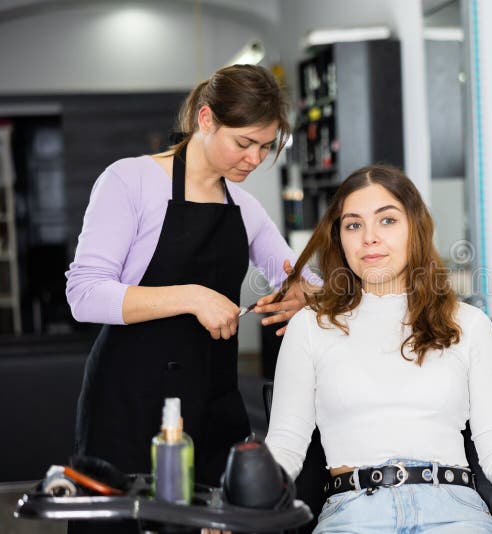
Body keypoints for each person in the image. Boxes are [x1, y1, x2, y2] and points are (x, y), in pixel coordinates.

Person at [65, 64, 314, 532]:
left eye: (266, 146)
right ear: (205, 120)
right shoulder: (131, 181)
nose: (255, 159)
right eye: (244, 143)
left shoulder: (245, 208)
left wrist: (303, 290)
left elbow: (292, 273)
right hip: (130, 402)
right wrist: (192, 296)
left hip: (211, 401)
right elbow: (84, 294)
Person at [266, 164, 492, 533]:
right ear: (340, 239)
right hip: (353, 514)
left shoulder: (470, 325)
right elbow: (285, 446)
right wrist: (243, 496)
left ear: (416, 228)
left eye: (387, 220)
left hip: (456, 511)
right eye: (353, 225)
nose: (370, 238)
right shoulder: (310, 327)